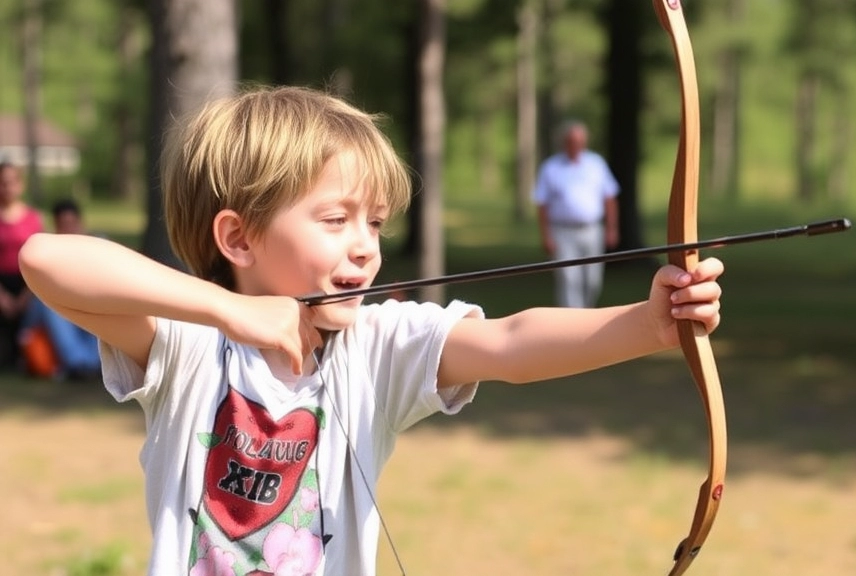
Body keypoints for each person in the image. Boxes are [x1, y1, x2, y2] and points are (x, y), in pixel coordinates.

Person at [19, 86, 724, 576]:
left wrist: (648, 323)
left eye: (376, 223)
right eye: (336, 220)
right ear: (237, 236)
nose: (366, 247)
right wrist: (231, 312)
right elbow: (45, 259)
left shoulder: (376, 346)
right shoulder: (189, 345)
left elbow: (510, 344)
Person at [532, 120, 620, 308]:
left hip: (591, 229)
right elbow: (542, 204)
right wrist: (546, 236)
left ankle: (586, 315)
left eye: (580, 141)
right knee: (569, 278)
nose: (576, 145)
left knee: (592, 279)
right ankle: (572, 321)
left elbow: (609, 197)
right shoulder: (551, 167)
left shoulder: (596, 164)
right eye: (572, 141)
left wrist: (612, 228)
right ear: (565, 143)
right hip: (562, 231)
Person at [20, 198, 101, 380]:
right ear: (55, 227)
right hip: (57, 309)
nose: (69, 229)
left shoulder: (96, 249)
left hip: (86, 307)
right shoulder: (47, 253)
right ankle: (79, 364)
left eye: (72, 224)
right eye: (63, 225)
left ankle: (90, 364)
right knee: (49, 306)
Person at [0, 161, 45, 370]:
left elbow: (41, 259)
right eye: (2, 183)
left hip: (28, 284)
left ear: (20, 185)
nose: (7, 187)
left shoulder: (33, 218)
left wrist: (27, 294)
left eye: (11, 182)